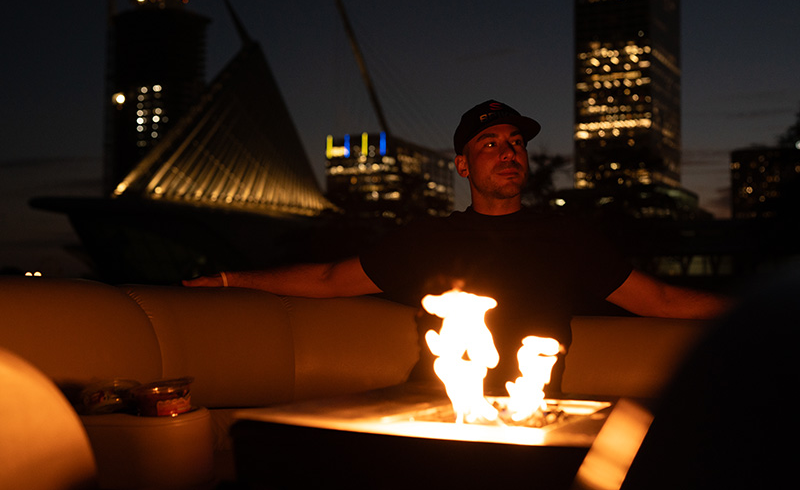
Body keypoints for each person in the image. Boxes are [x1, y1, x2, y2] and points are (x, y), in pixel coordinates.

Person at [184, 99, 730, 392]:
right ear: (463, 166)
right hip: (434, 403)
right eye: (490, 143)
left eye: (516, 143)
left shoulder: (567, 238)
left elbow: (659, 300)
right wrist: (230, 281)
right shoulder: (429, 239)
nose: (509, 151)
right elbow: (329, 279)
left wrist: (759, 310)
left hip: (527, 411)